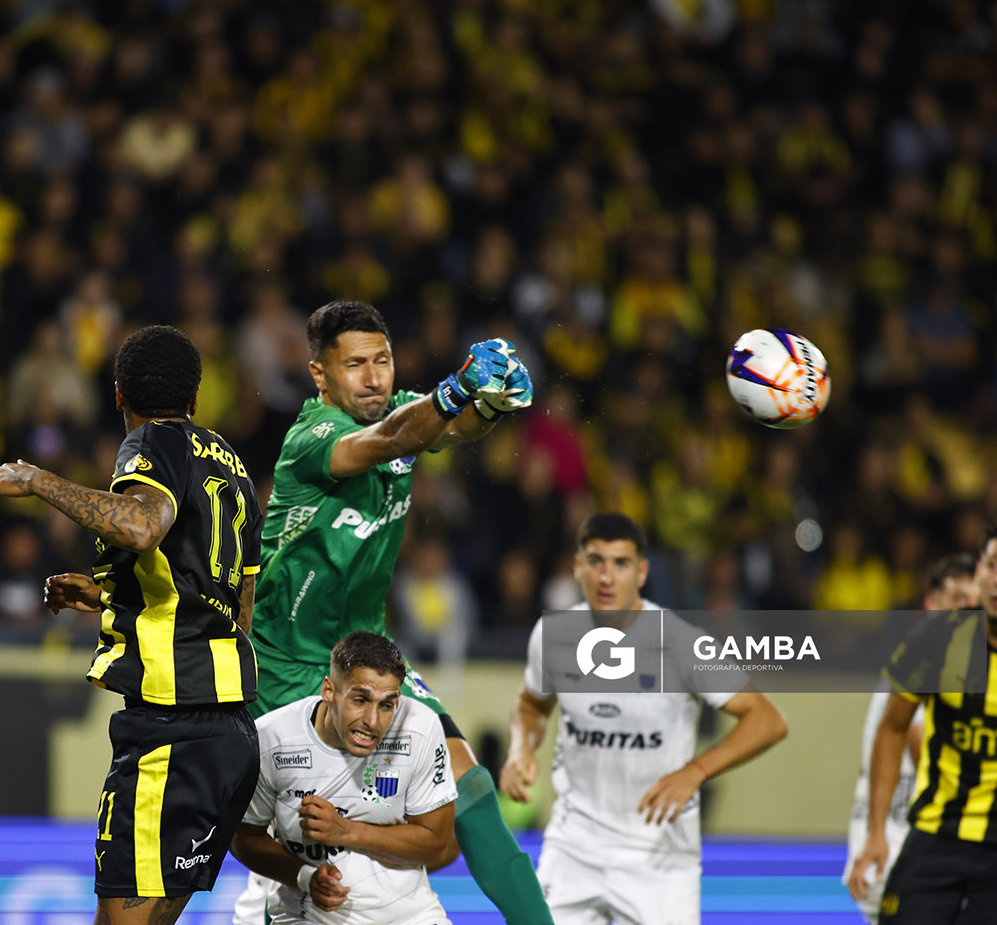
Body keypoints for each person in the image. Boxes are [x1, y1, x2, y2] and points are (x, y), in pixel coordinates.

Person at [236, 299, 551, 925]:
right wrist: (458, 387)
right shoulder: (312, 438)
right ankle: (267, 910)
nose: (375, 377)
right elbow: (395, 437)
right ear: (319, 374)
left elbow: (448, 428)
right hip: (290, 666)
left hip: (371, 656)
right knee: (310, 843)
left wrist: (487, 404)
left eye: (382, 360)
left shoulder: (402, 410)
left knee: (471, 788)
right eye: (355, 364)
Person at [0, 324, 261, 925]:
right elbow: (235, 606)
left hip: (171, 730)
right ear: (196, 394)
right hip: (228, 731)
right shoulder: (233, 468)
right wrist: (109, 599)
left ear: (117, 396)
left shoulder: (152, 441)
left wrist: (37, 480)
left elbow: (141, 527)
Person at [501, 511, 788, 925]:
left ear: (642, 572)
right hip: (574, 847)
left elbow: (767, 719)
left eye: (621, 563)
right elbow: (531, 703)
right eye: (596, 561)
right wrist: (520, 748)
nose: (606, 576)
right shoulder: (553, 635)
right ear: (577, 566)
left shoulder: (680, 643)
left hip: (658, 856)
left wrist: (696, 771)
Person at [232, 630, 457, 924]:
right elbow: (243, 838)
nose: (372, 721)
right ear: (329, 690)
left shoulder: (421, 728)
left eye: (387, 704)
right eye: (360, 700)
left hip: (411, 916)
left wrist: (347, 831)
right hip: (307, 916)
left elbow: (438, 844)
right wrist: (305, 877)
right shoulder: (272, 740)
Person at [847, 529, 997, 924]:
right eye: (993, 567)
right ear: (980, 570)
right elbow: (895, 729)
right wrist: (876, 832)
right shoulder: (936, 642)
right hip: (933, 834)